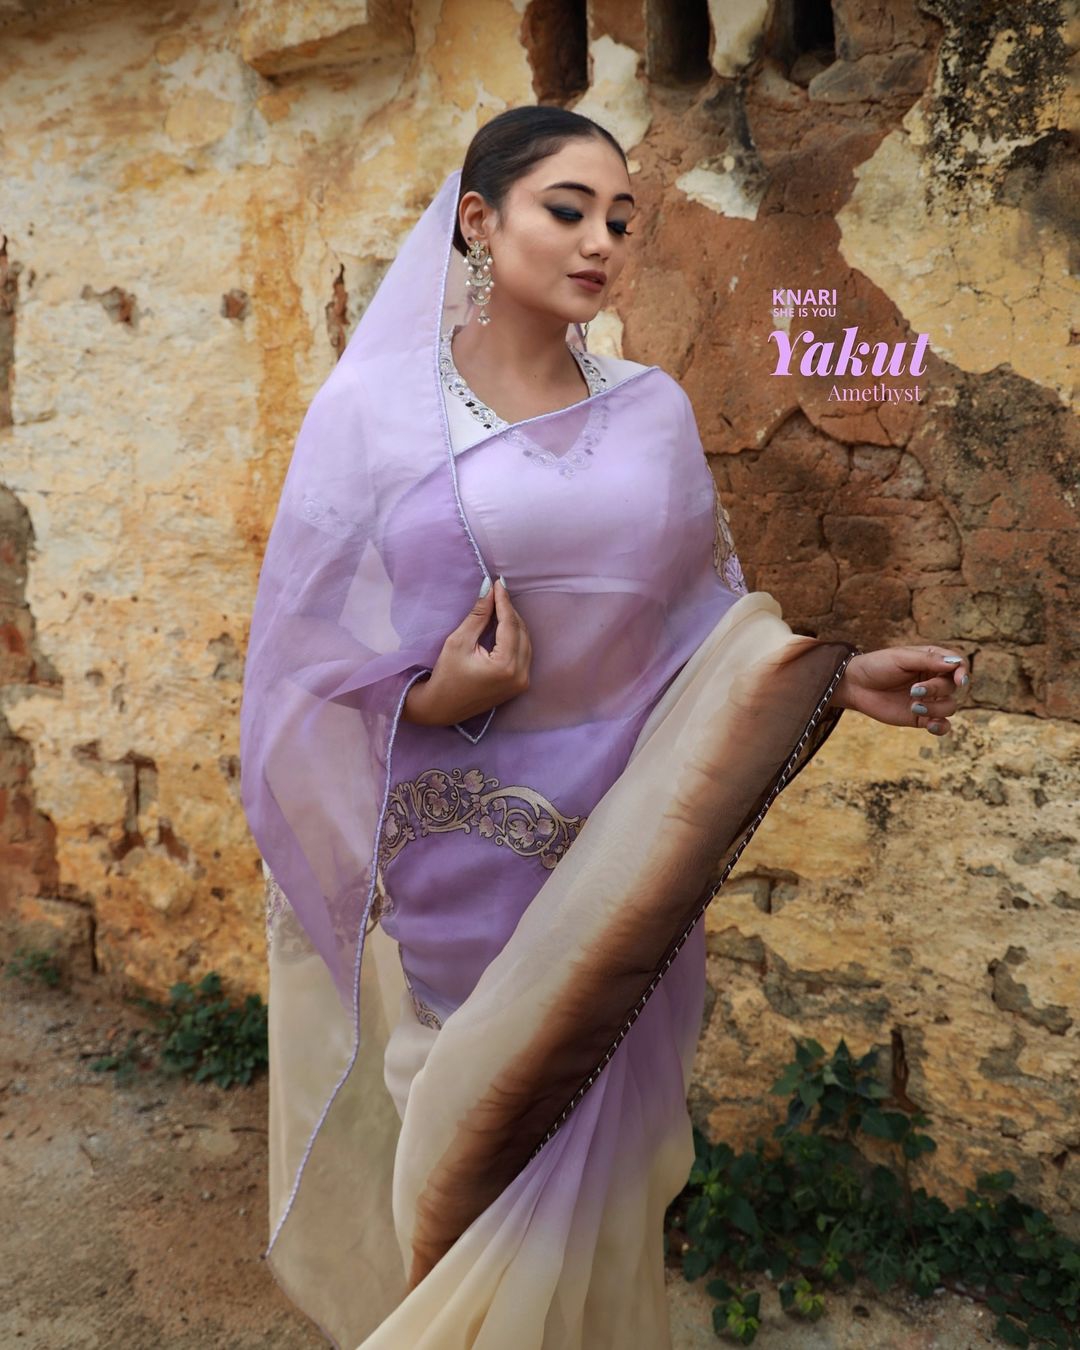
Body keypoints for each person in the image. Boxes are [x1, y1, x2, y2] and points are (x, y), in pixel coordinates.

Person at [238, 105, 972, 1350]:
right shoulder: (376, 412)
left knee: (612, 1169)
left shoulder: (652, 410)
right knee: (481, 1146)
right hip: (465, 849)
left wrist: (835, 678)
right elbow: (301, 655)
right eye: (567, 210)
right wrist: (435, 695)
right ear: (480, 221)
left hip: (626, 844)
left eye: (623, 222)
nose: (600, 243)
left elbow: (704, 620)